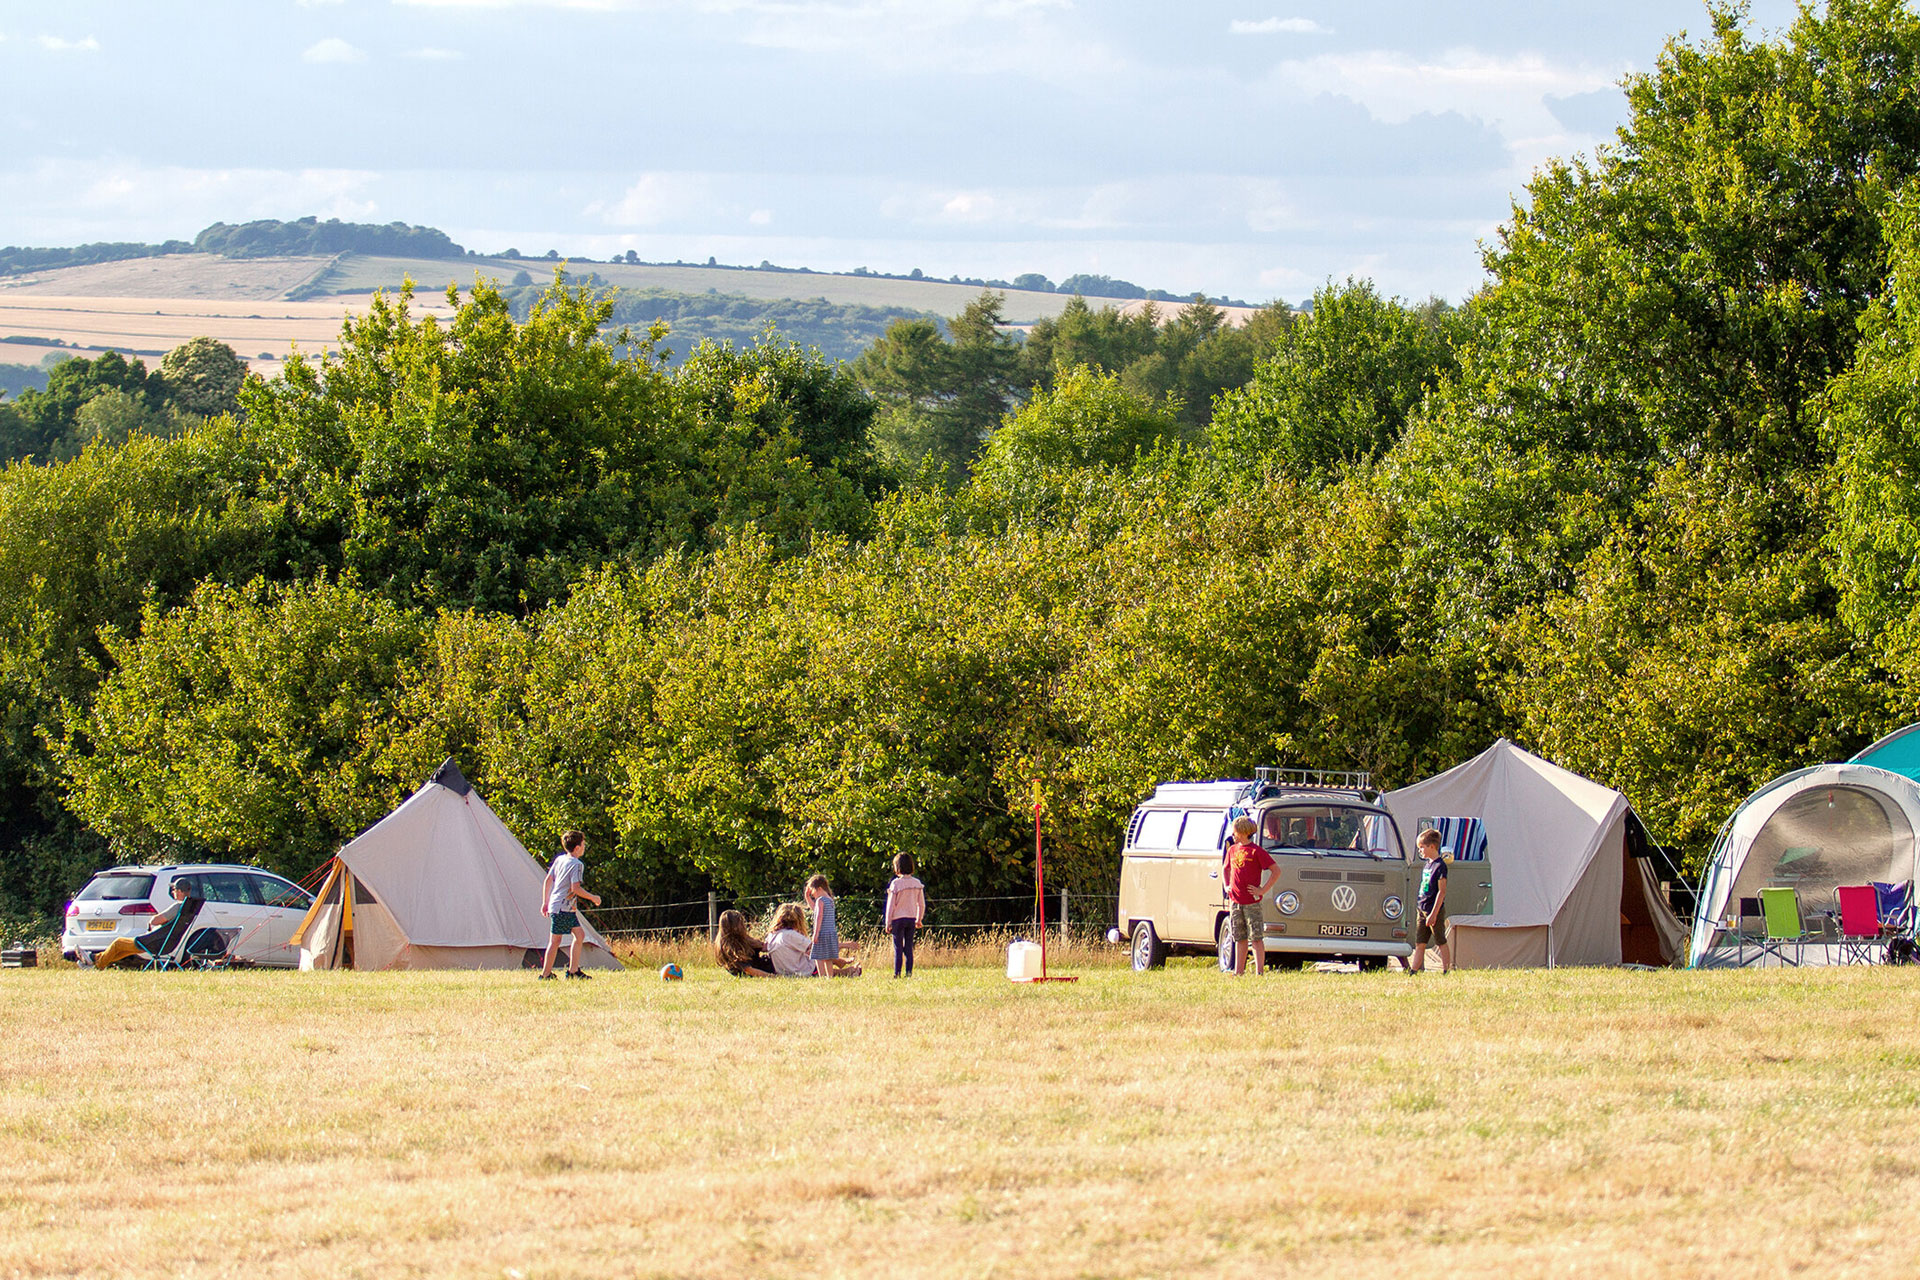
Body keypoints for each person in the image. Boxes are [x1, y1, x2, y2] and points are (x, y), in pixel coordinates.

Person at [93, 878, 207, 969]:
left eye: (174, 890)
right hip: (168, 943)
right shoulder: (189, 908)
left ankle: (98, 964)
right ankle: (96, 958)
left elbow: (156, 921)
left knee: (118, 943)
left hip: (154, 942)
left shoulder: (178, 906)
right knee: (125, 949)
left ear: (180, 891)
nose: (173, 892)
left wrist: (151, 919)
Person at [538, 831, 601, 981]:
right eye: (584, 844)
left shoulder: (560, 859)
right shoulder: (577, 865)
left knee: (579, 935)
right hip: (562, 908)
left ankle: (573, 971)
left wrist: (545, 902)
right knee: (555, 941)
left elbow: (548, 880)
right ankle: (546, 974)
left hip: (559, 906)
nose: (585, 847)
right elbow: (576, 888)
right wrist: (593, 898)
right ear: (578, 847)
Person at [1222, 815, 1277, 976]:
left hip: (1252, 902)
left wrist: (1262, 890)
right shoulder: (1232, 850)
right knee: (1239, 937)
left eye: (1235, 832)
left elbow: (1276, 871)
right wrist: (1227, 885)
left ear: (1244, 832)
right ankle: (1239, 971)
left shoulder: (1256, 851)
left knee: (1256, 937)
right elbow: (1226, 869)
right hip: (1235, 901)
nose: (1233, 834)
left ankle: (1259, 972)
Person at [1406, 828, 1452, 974]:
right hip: (1422, 908)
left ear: (1432, 846)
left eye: (1422, 848)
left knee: (1440, 940)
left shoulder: (1440, 866)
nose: (1420, 851)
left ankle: (1446, 969)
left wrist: (1433, 913)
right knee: (1420, 942)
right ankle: (1414, 970)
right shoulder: (1427, 864)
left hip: (1434, 909)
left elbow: (1441, 892)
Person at [805, 874, 861, 977]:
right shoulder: (830, 900)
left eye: (812, 891)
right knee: (828, 958)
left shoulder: (820, 900)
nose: (812, 894)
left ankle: (822, 976)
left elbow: (818, 916)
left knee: (818, 956)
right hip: (831, 933)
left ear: (819, 888)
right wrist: (807, 897)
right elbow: (815, 911)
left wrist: (816, 934)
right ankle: (829, 976)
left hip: (821, 933)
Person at [883, 853, 927, 978]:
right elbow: (921, 904)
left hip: (897, 919)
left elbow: (890, 905)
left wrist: (888, 922)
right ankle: (909, 973)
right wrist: (919, 919)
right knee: (908, 947)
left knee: (898, 948)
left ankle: (897, 973)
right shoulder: (917, 883)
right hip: (911, 918)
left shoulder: (896, 884)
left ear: (897, 867)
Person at [714, 909, 778, 976]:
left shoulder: (741, 938)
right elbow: (749, 970)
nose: (744, 925)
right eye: (741, 922)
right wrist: (772, 976)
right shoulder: (729, 948)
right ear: (735, 926)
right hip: (759, 970)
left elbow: (761, 946)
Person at [766, 903, 815, 977]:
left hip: (784, 972)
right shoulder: (790, 935)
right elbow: (815, 948)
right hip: (803, 971)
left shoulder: (772, 935)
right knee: (826, 959)